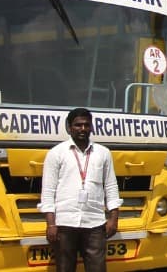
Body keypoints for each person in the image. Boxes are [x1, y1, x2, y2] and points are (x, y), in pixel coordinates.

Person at [39, 108, 121, 272]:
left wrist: (113, 219)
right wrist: (51, 224)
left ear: (91, 127)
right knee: (65, 268)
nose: (82, 129)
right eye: (78, 125)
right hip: (64, 223)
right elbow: (48, 191)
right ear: (69, 127)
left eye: (86, 125)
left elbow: (111, 187)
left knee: (97, 268)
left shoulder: (103, 153)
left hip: (95, 223)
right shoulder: (56, 153)